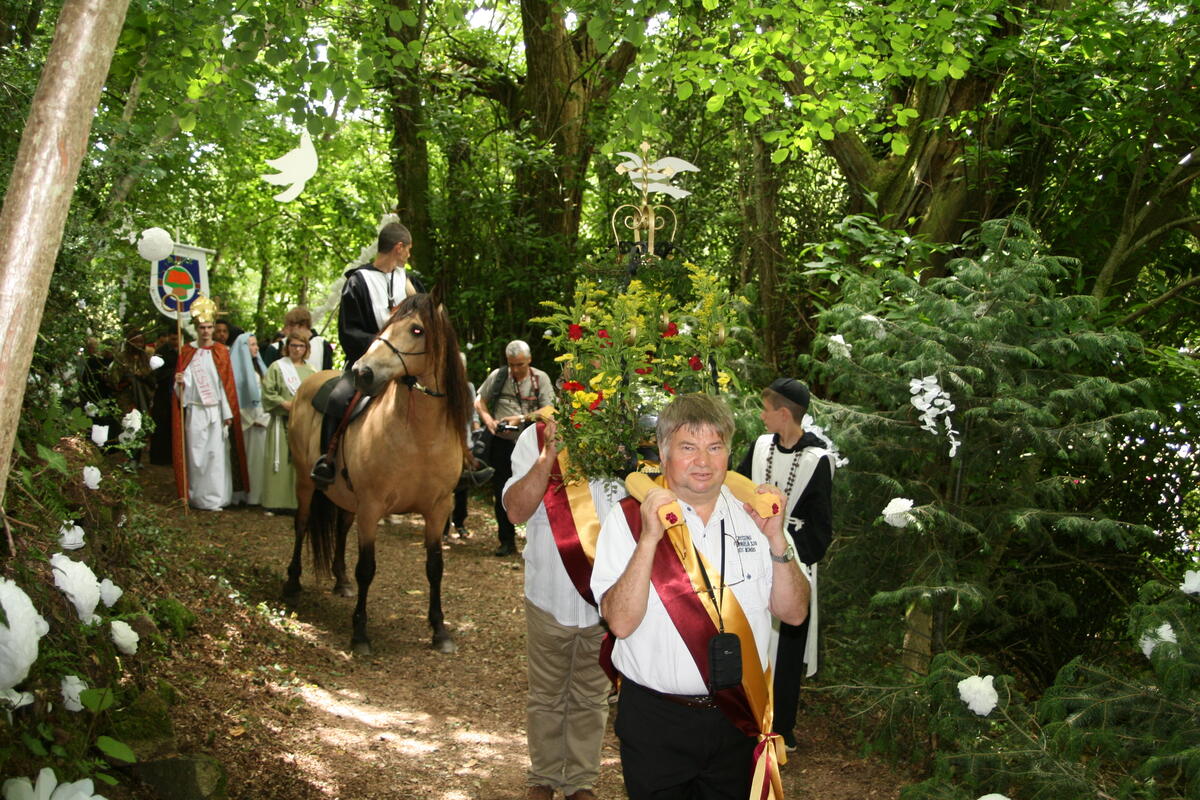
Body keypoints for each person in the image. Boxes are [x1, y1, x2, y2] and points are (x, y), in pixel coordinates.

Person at [590, 393, 809, 800]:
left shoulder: (757, 514)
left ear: (729, 451)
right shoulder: (628, 519)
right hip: (657, 719)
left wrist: (777, 539)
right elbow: (618, 622)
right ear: (662, 452)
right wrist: (650, 540)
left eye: (715, 447)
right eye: (688, 448)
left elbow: (794, 614)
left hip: (738, 715)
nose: (703, 462)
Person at [503, 416, 625, 800]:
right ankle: (543, 777)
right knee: (546, 695)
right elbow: (515, 511)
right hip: (547, 593)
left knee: (592, 696)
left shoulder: (624, 436)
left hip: (605, 599)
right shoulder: (535, 437)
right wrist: (548, 455)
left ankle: (580, 782)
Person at [735, 377, 834, 752]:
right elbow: (738, 488)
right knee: (752, 636)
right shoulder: (760, 447)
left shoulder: (817, 460)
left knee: (787, 647)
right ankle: (747, 714)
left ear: (783, 414)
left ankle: (782, 728)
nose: (761, 417)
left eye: (766, 410)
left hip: (791, 560)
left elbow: (821, 528)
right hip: (748, 553)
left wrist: (787, 552)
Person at [310, 222, 423, 487]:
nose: (408, 255)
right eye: (407, 249)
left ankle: (462, 460)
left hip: (408, 365)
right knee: (338, 399)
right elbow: (349, 333)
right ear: (398, 247)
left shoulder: (410, 282)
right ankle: (327, 459)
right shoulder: (357, 282)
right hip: (368, 362)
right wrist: (383, 349)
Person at [475, 340, 556, 556]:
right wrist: (489, 421)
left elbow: (549, 409)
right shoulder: (499, 376)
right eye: (512, 365)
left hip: (530, 442)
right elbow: (479, 401)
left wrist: (521, 418)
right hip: (502, 443)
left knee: (535, 487)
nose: (516, 369)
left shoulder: (540, 379)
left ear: (529, 360)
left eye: (520, 364)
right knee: (502, 488)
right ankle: (506, 540)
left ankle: (536, 540)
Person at [171, 298, 250, 510]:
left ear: (213, 328)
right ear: (196, 329)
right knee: (196, 455)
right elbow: (181, 389)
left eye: (209, 327)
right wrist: (180, 383)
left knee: (216, 455)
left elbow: (225, 386)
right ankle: (196, 497)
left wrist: (227, 413)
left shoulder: (221, 351)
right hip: (195, 409)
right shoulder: (186, 351)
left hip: (215, 410)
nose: (206, 331)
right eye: (202, 327)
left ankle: (216, 498)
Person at [260, 331, 316, 512]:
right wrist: (283, 403)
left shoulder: (312, 371)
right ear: (287, 347)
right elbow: (268, 392)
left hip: (303, 425)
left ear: (306, 349)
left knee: (300, 462)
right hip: (281, 420)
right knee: (279, 460)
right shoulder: (277, 367)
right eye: (293, 345)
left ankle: (296, 503)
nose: (296, 349)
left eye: (301, 346)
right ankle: (275, 503)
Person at [231, 333, 270, 505]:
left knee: (260, 459)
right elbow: (235, 397)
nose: (256, 348)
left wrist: (264, 417)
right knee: (247, 459)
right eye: (252, 345)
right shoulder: (235, 370)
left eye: (256, 344)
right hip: (246, 421)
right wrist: (248, 419)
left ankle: (259, 496)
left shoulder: (260, 368)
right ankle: (248, 496)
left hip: (262, 418)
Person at [261, 306, 334, 371]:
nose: (288, 329)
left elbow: (327, 376)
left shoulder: (322, 345)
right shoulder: (276, 348)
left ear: (303, 325)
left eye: (291, 326)